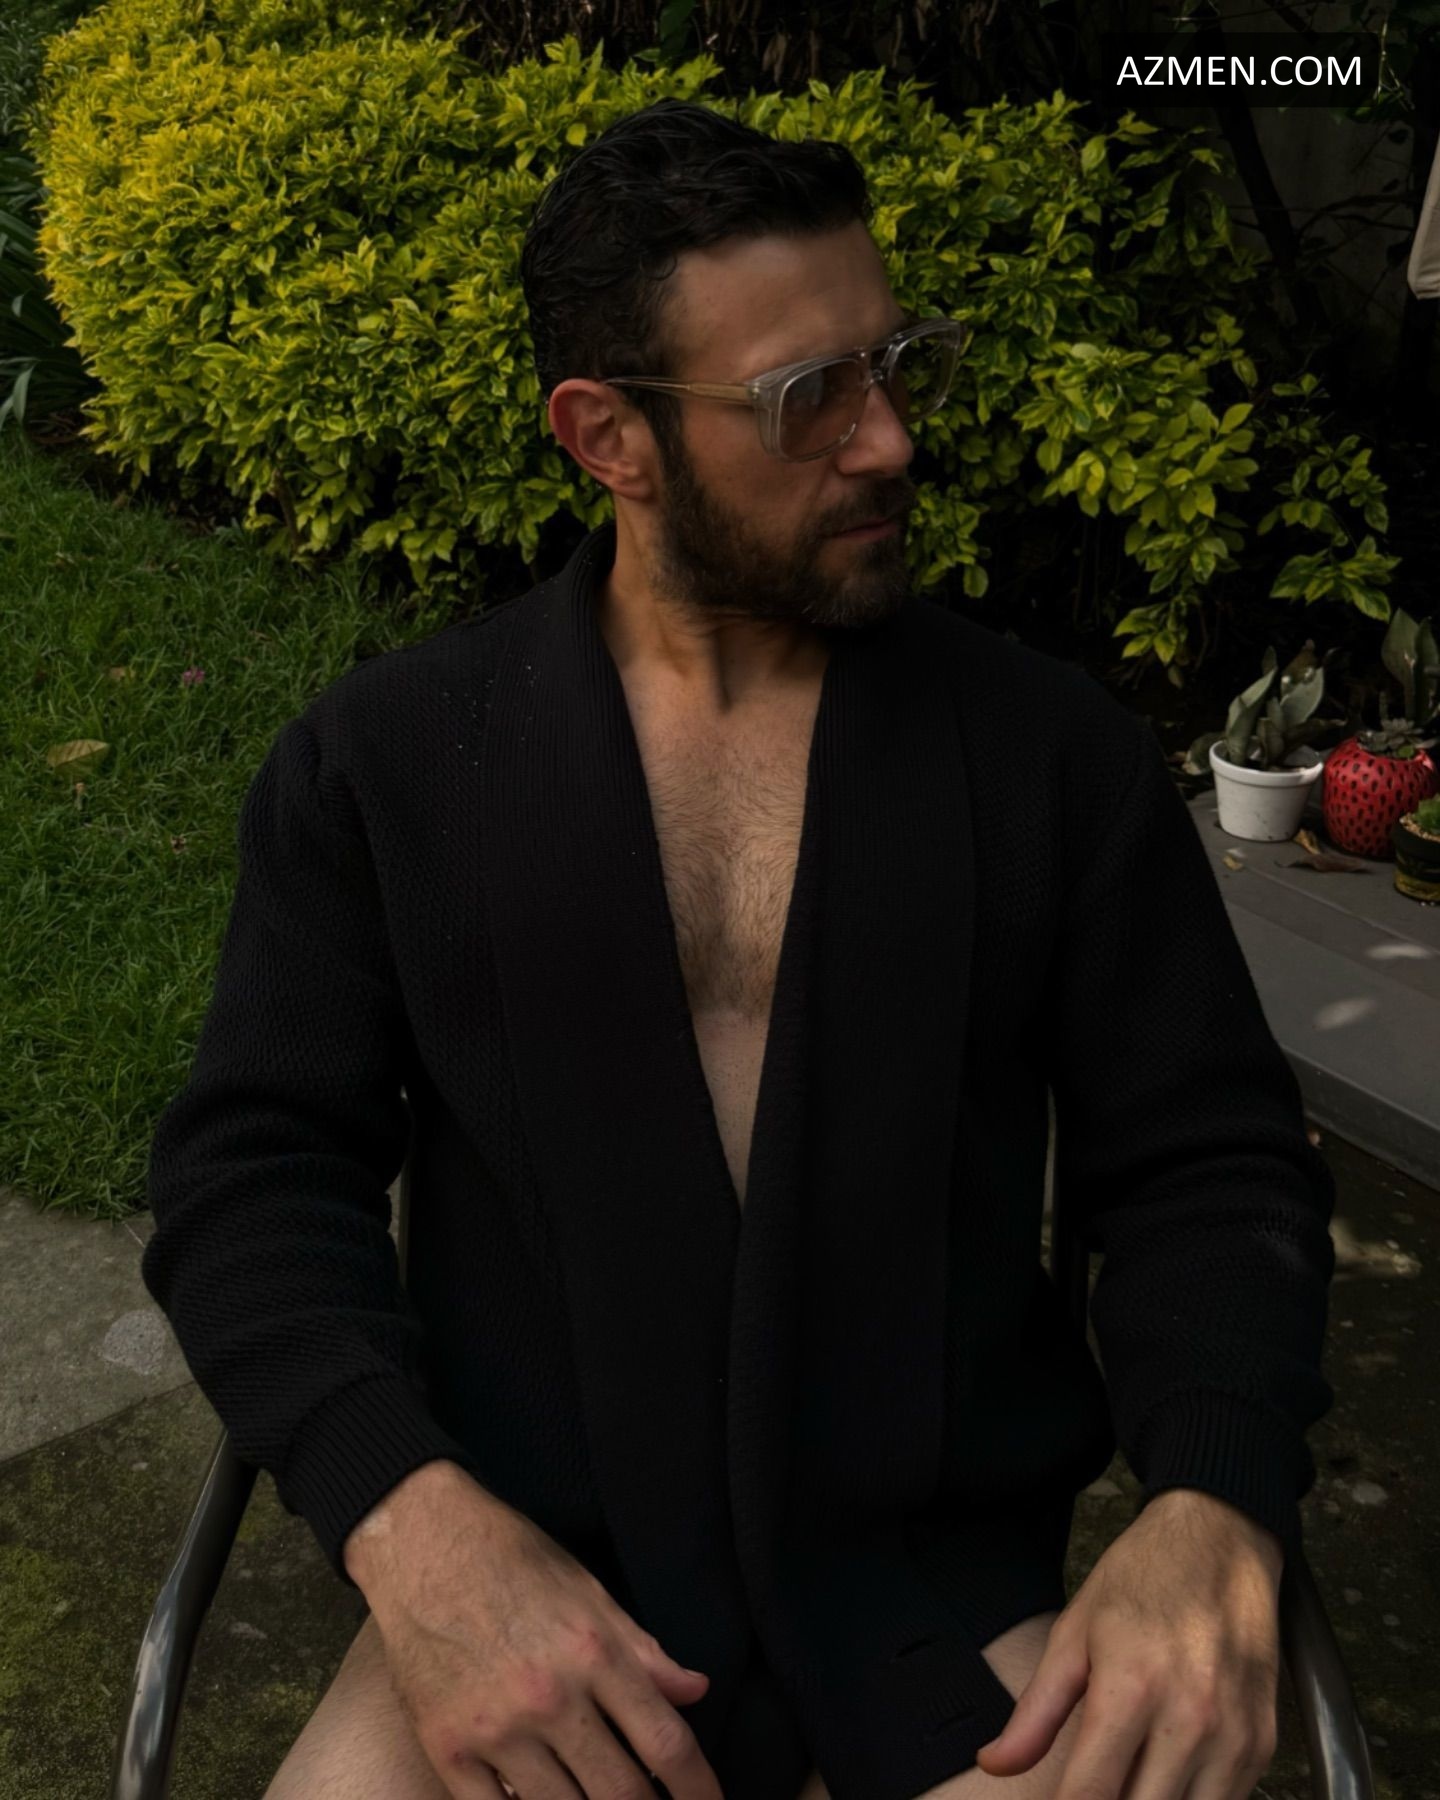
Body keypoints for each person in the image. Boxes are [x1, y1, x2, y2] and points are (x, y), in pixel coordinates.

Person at [142, 99, 1337, 1800]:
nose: (888, 440)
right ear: (607, 435)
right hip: (540, 1599)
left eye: (897, 365)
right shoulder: (390, 769)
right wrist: (411, 1525)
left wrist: (1214, 1502)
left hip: (935, 1605)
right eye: (807, 398)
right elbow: (252, 1176)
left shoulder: (1047, 762)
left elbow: (1210, 1165)